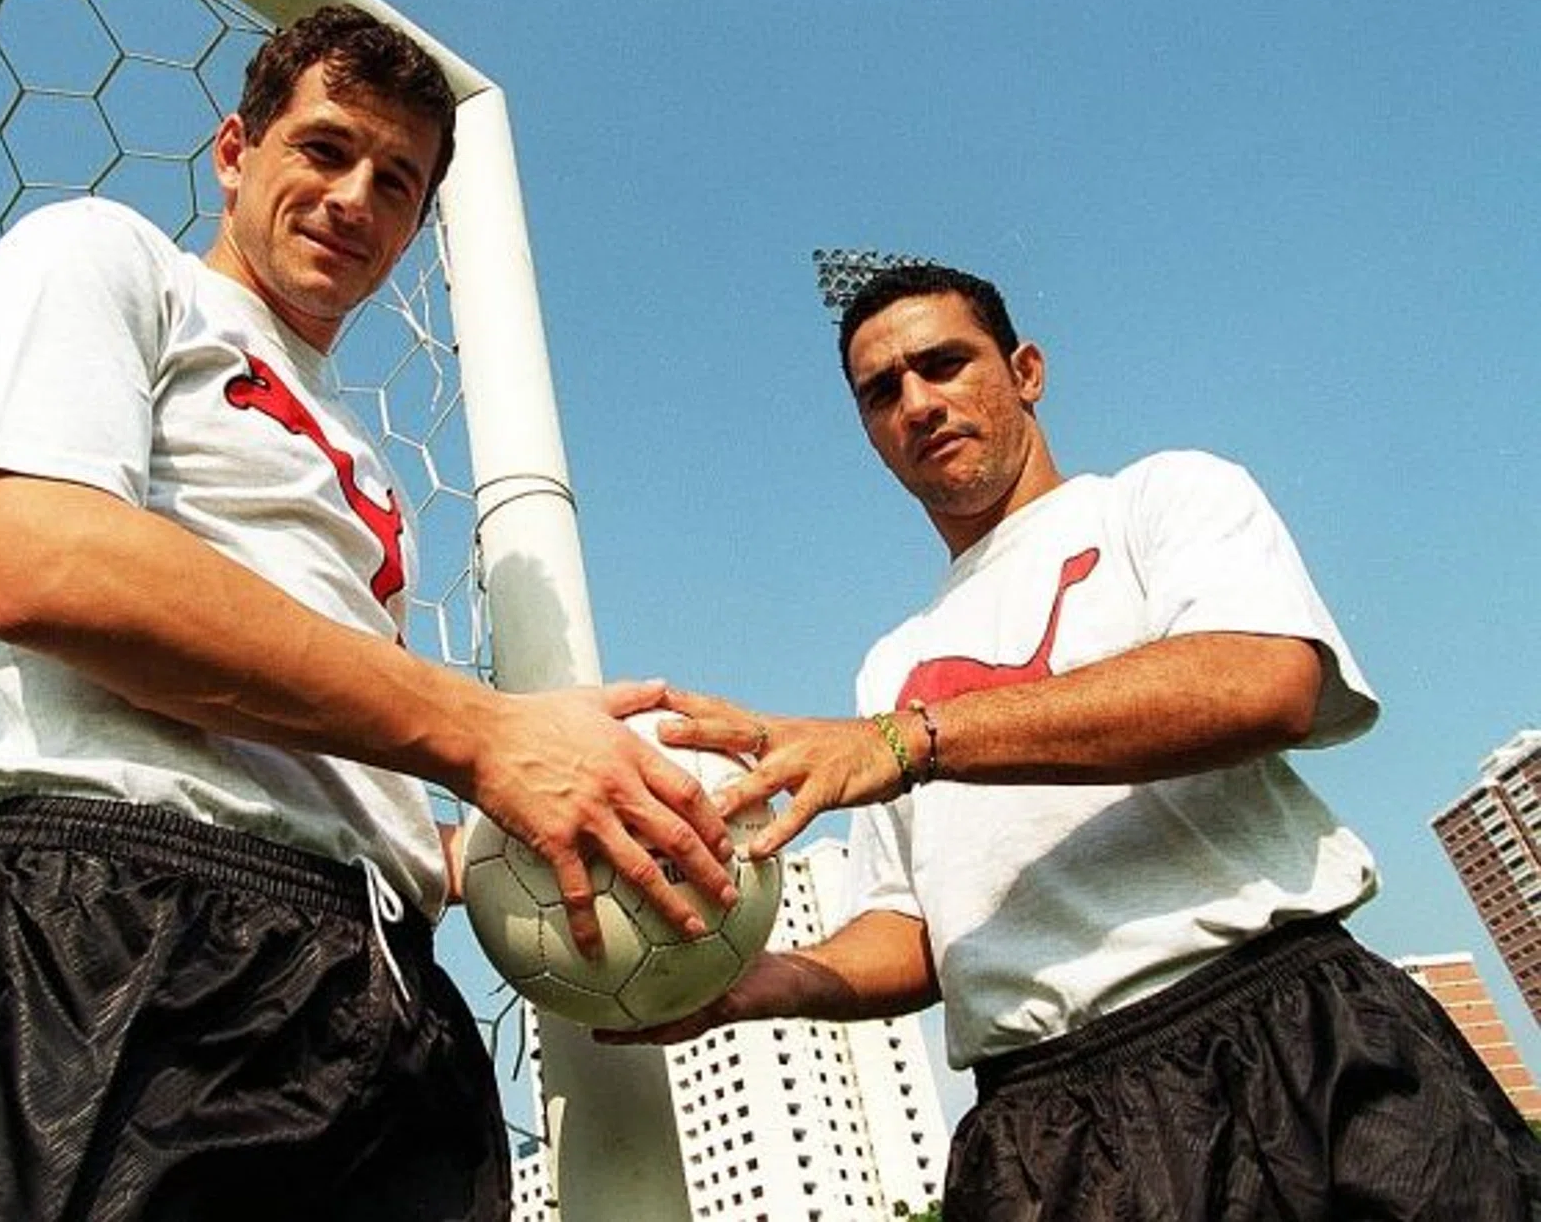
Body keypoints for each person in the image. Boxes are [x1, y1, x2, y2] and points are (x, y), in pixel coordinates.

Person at [0, 5, 737, 1222]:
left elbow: (320, 753)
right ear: (235, 151)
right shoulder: (105, 259)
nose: (357, 196)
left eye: (398, 181)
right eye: (325, 148)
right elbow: (50, 564)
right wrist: (487, 734)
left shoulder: (364, 463)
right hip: (124, 946)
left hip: (380, 999)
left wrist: (558, 836)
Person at [606, 261, 1541, 1220]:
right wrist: (758, 982)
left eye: (943, 364)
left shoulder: (1160, 498)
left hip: (1289, 1029)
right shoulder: (891, 666)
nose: (918, 403)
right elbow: (919, 936)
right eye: (882, 392)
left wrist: (907, 740)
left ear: (1026, 371)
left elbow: (1264, 681)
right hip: (1047, 1123)